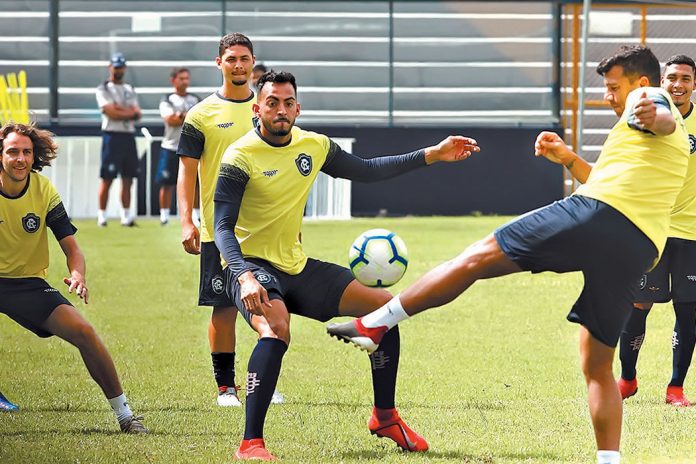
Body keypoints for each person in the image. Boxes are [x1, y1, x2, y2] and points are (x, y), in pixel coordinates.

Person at [327, 45, 690, 464]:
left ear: (640, 84)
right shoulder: (645, 140)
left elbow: (658, 115)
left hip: (601, 214)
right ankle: (610, 460)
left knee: (477, 256)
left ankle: (375, 324)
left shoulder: (652, 102)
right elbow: (608, 178)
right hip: (638, 247)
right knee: (596, 366)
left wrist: (652, 113)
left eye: (614, 88)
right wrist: (568, 157)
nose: (608, 96)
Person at [213, 70, 478, 460]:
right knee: (276, 328)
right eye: (272, 103)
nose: (281, 110)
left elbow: (367, 170)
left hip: (296, 266)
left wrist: (431, 155)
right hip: (249, 265)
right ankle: (251, 443)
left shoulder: (314, 145)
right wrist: (244, 275)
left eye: (288, 103)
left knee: (383, 307)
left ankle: (385, 417)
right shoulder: (239, 156)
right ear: (257, 108)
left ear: (298, 108)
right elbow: (221, 227)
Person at [0, 122, 147, 433]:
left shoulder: (43, 190)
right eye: (12, 151)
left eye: (27, 152)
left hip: (27, 283)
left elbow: (71, 247)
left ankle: (125, 416)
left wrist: (77, 274)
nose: (20, 159)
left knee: (84, 331)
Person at [177, 33, 282, 407]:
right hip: (218, 231)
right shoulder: (201, 114)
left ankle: (263, 379)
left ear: (254, 63)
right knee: (223, 309)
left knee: (269, 301)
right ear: (218, 63)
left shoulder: (269, 107)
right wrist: (186, 221)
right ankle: (226, 388)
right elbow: (187, 172)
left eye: (245, 59)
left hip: (265, 229)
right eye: (232, 59)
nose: (239, 66)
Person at [617, 54, 696, 407]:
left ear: (694, 85)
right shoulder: (646, 117)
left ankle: (675, 388)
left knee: (689, 310)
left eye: (685, 79)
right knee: (638, 303)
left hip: (692, 232)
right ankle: (627, 379)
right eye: (672, 78)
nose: (678, 84)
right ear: (661, 82)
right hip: (652, 227)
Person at [95, 52, 141, 227]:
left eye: (121, 67)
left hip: (128, 136)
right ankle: (102, 216)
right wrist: (125, 112)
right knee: (107, 177)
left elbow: (137, 113)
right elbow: (110, 112)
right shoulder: (103, 88)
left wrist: (120, 111)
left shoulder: (129, 89)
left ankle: (126, 216)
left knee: (128, 178)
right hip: (112, 136)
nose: (118, 70)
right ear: (110, 67)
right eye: (116, 67)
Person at [157, 67, 200, 225]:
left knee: (194, 183)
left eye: (186, 78)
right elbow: (170, 120)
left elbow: (199, 120)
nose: (185, 81)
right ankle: (164, 216)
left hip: (190, 147)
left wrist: (180, 116)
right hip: (170, 146)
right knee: (166, 183)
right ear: (173, 80)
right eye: (181, 78)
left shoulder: (195, 99)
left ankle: (196, 215)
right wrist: (186, 116)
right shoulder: (167, 99)